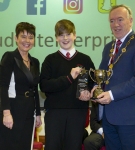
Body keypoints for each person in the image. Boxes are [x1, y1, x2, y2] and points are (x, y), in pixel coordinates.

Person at [91, 4, 135, 150]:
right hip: (109, 118)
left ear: (131, 20)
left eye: (120, 19)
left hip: (131, 118)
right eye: (112, 21)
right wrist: (95, 88)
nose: (115, 24)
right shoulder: (108, 47)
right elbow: (102, 75)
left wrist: (111, 94)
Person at [40, 19, 95, 150]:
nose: (65, 38)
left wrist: (89, 92)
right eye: (61, 35)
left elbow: (93, 84)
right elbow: (44, 86)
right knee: (52, 147)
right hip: (54, 113)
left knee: (74, 147)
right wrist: (69, 78)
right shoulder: (49, 60)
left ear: (75, 35)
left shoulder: (85, 59)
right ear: (56, 38)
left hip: (77, 112)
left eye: (68, 34)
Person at [0, 22, 42, 150]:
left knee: (25, 146)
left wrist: (38, 113)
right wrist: (6, 113)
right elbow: (2, 86)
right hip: (12, 111)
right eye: (23, 36)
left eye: (30, 37)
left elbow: (34, 89)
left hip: (29, 112)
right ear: (16, 38)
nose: (27, 40)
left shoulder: (35, 62)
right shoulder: (9, 57)